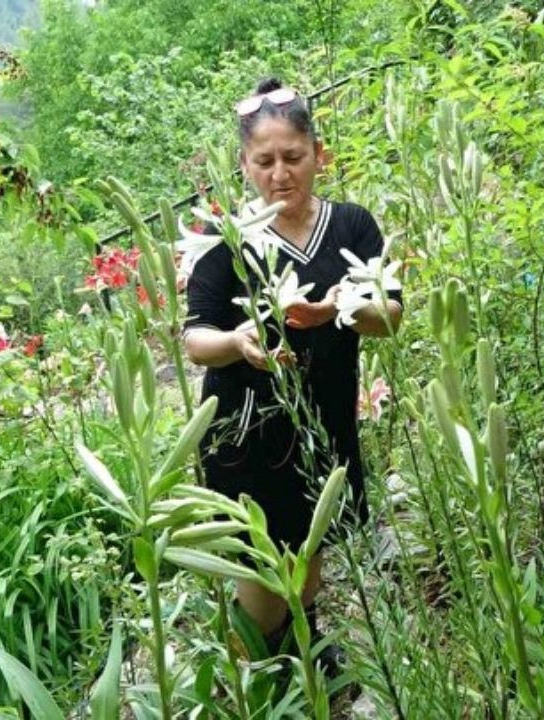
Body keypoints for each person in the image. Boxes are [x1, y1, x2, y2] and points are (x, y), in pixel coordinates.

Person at [182, 78, 402, 667]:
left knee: (311, 553)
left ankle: (305, 663)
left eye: (293, 158)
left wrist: (339, 310)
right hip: (246, 427)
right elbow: (195, 339)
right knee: (260, 569)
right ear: (245, 166)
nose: (281, 172)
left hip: (325, 417)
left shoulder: (353, 225)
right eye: (265, 161)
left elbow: (391, 315)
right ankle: (257, 676)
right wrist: (237, 340)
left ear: (319, 156)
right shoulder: (222, 238)